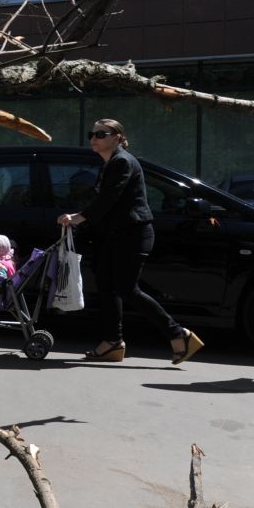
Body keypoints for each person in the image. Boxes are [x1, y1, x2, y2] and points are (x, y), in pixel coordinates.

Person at [55, 118, 205, 364]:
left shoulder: (122, 162)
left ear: (117, 137)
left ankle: (179, 334)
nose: (94, 138)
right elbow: (104, 200)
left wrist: (79, 218)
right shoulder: (111, 163)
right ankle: (113, 342)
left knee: (126, 289)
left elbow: (109, 199)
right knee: (106, 285)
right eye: (91, 133)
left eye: (101, 134)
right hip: (116, 235)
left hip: (133, 235)